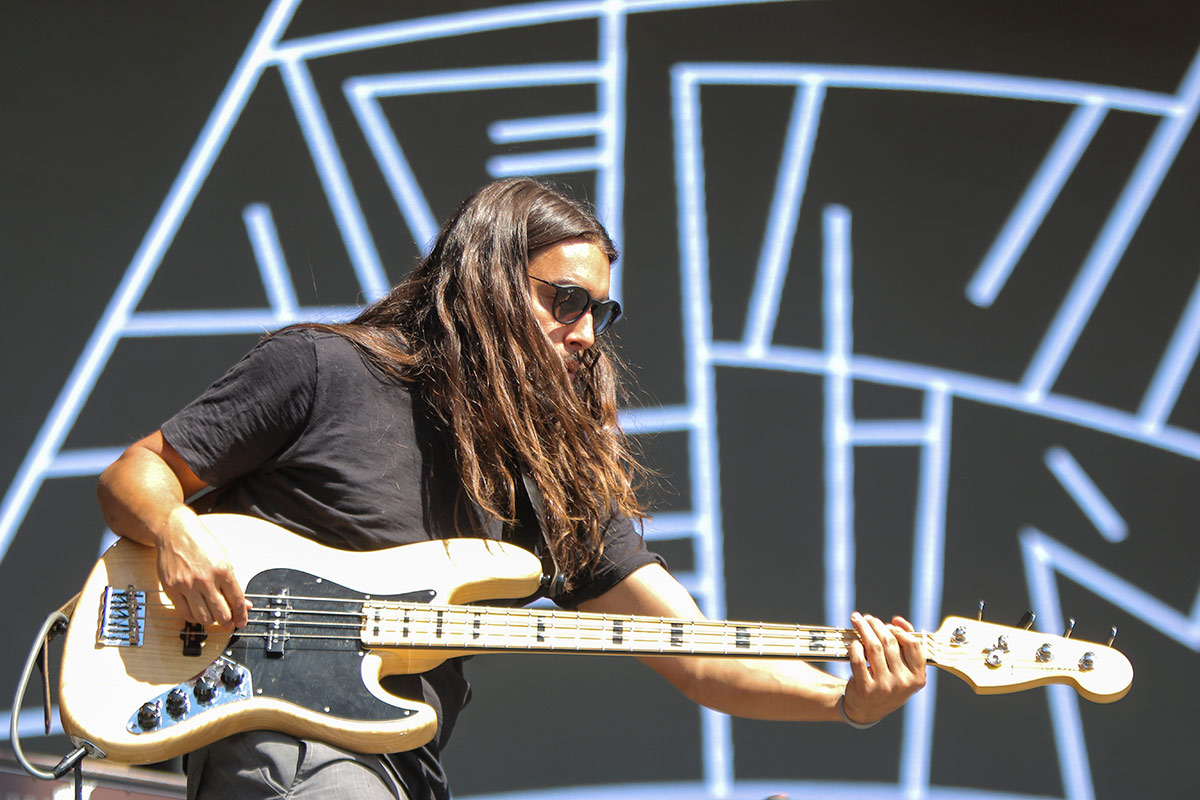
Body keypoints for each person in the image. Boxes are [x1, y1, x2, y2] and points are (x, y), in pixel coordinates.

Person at [97, 177, 925, 800]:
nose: (588, 335)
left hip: (399, 764)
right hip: (276, 740)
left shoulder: (547, 473)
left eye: (603, 313)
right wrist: (174, 530)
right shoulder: (323, 367)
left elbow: (701, 659)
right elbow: (134, 475)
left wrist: (847, 701)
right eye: (567, 301)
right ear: (487, 278)